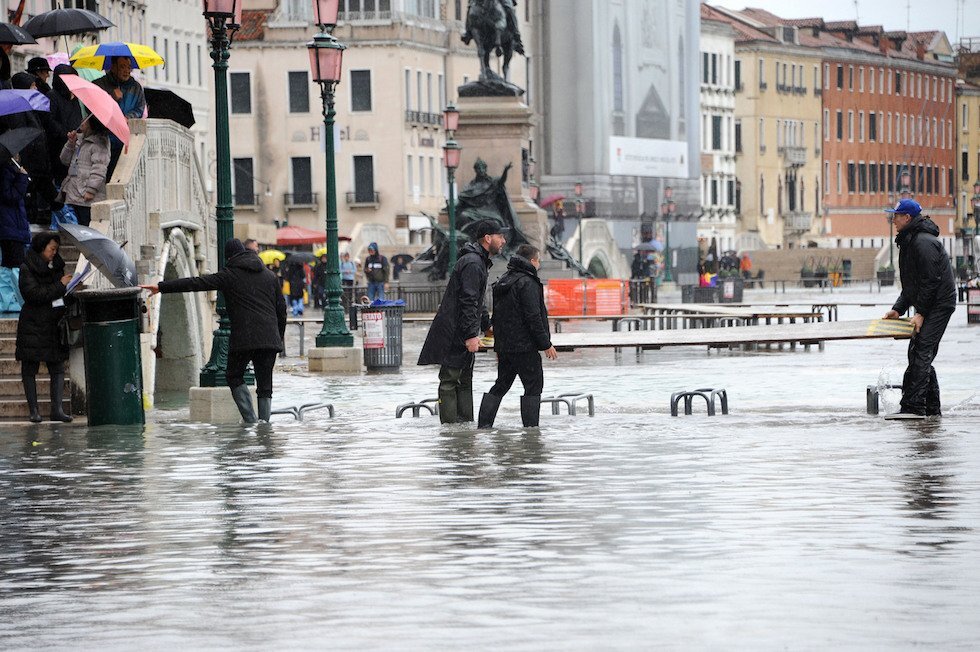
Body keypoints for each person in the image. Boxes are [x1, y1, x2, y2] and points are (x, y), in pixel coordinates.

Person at [141, 239, 287, 424]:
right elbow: (281, 310)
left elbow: (196, 283)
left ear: (229, 257)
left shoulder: (230, 275)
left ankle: (250, 421)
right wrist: (278, 338)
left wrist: (161, 287)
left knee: (233, 376)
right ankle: (264, 428)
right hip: (269, 339)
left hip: (244, 339)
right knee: (265, 386)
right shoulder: (269, 276)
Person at [418, 220, 505, 423]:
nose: (504, 241)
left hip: (461, 330)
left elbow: (477, 300)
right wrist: (470, 335)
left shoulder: (477, 261)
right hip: (455, 332)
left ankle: (465, 428)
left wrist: (486, 325)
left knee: (465, 379)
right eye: (500, 236)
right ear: (488, 238)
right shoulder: (474, 263)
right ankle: (451, 430)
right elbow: (468, 301)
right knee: (450, 379)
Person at [882, 199, 956, 419]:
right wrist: (898, 309)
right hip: (930, 303)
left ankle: (914, 408)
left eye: (896, 216)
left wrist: (921, 313)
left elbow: (931, 281)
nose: (893, 220)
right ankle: (931, 410)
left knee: (922, 349)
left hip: (940, 304)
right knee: (919, 352)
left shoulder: (922, 242)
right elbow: (912, 285)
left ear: (907, 218)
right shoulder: (910, 241)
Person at [477, 244, 558, 428]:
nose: (539, 264)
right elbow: (533, 317)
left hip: (505, 345)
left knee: (501, 384)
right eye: (538, 260)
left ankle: (484, 426)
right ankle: (531, 431)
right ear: (532, 261)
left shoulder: (505, 280)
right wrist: (545, 344)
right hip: (525, 346)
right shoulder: (528, 282)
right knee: (534, 386)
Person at [17, 231, 73, 423]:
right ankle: (34, 410)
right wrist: (60, 285)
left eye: (56, 250)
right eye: (51, 249)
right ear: (42, 248)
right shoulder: (27, 267)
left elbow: (59, 292)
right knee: (29, 366)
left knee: (57, 366)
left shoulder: (57, 265)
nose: (54, 253)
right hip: (33, 323)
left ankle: (56, 409)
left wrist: (71, 287)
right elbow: (34, 294)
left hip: (54, 322)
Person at [95, 56, 145, 177]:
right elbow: (93, 108)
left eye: (129, 67)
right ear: (113, 67)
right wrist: (112, 97)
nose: (126, 71)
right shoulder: (100, 84)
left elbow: (140, 108)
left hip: (125, 140)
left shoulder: (136, 87)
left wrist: (128, 117)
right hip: (104, 139)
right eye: (122, 67)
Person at [59, 115, 111, 227]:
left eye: (86, 120)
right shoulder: (79, 140)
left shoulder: (99, 143)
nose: (82, 122)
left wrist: (91, 190)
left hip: (86, 194)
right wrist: (70, 143)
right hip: (73, 191)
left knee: (86, 226)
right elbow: (64, 160)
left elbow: (99, 168)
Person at [45, 65, 83, 187]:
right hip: (58, 145)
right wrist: (64, 133)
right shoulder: (52, 95)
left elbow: (77, 117)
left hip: (74, 144)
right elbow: (49, 120)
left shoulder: (74, 97)